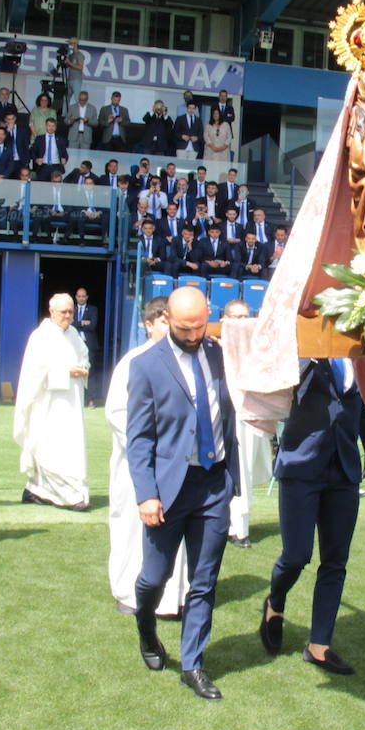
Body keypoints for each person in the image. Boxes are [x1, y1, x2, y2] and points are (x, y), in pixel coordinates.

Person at [126, 287, 240, 700]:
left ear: (208, 315)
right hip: (168, 490)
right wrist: (146, 494)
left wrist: (230, 482)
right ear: (167, 319)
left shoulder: (219, 353)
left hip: (213, 484)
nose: (193, 335)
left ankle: (193, 664)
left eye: (199, 326)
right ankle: (146, 627)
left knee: (204, 580)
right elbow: (138, 439)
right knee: (154, 576)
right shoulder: (146, 367)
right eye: (183, 327)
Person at [259, 353, 365, 675]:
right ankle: (275, 599)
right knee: (296, 555)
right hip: (301, 465)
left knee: (335, 561)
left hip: (344, 470)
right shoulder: (300, 353)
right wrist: (305, 355)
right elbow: (274, 382)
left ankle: (319, 645)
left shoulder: (359, 355)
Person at [105, 297, 189, 617]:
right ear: (150, 324)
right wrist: (152, 446)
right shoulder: (134, 361)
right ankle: (130, 592)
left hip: (176, 464)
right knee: (132, 526)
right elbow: (117, 412)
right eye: (164, 322)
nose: (170, 329)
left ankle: (174, 596)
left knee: (174, 528)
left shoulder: (186, 360)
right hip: (139, 463)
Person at [13, 294, 91, 510]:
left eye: (70, 312)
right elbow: (34, 371)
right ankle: (67, 495)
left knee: (70, 446)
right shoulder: (40, 336)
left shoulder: (74, 334)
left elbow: (84, 356)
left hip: (71, 402)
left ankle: (35, 490)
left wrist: (83, 368)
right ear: (52, 311)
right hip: (47, 404)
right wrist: (65, 371)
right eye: (63, 312)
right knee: (50, 447)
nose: (67, 316)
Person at [220, 299, 272, 548]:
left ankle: (238, 525)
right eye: (236, 318)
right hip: (224, 419)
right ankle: (236, 529)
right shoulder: (213, 346)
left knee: (245, 472)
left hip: (250, 416)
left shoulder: (257, 347)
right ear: (225, 320)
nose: (242, 323)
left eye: (246, 317)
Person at [73, 288, 100, 405]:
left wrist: (77, 324)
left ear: (87, 297)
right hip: (74, 345)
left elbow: (93, 325)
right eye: (79, 296)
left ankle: (90, 400)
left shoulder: (93, 309)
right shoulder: (71, 310)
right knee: (74, 371)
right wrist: (83, 323)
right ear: (76, 297)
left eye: (83, 296)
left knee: (90, 372)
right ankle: (76, 400)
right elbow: (70, 324)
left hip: (89, 345)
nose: (81, 298)